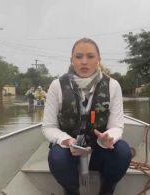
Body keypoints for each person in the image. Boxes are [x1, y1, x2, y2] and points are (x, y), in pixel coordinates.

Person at [42, 38, 132, 195]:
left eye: (90, 56)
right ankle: (71, 190)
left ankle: (107, 190)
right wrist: (67, 141)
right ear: (72, 60)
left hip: (99, 150)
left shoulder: (113, 85)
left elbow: (117, 125)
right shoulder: (57, 86)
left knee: (123, 152)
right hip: (70, 151)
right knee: (57, 157)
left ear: (98, 59)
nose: (84, 61)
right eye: (79, 56)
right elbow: (49, 126)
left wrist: (107, 138)